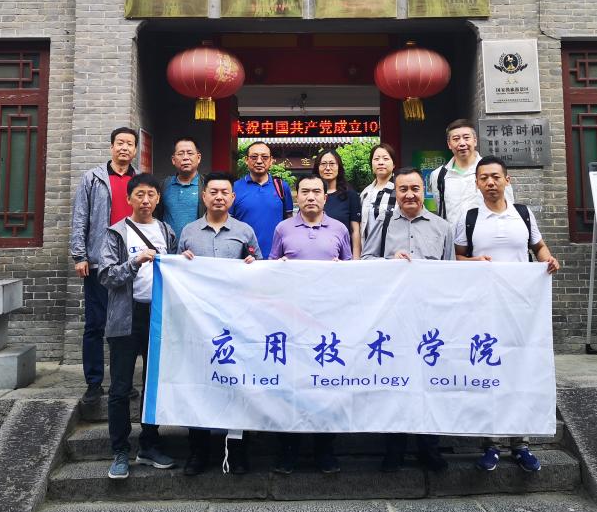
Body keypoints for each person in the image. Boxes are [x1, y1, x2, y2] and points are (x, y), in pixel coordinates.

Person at [454, 155, 560, 474]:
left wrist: (548, 259)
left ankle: (521, 443)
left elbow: (538, 248)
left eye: (495, 177)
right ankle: (491, 443)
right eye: (484, 178)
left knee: (521, 372)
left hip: (521, 310)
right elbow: (457, 259)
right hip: (484, 310)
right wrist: (475, 263)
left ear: (506, 180)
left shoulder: (522, 214)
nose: (490, 182)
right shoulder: (469, 218)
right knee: (490, 372)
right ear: (476, 184)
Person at [360, 166, 452, 473]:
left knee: (429, 382)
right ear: (395, 192)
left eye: (415, 189)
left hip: (429, 319)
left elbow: (451, 272)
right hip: (394, 318)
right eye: (403, 189)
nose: (409, 195)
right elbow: (366, 260)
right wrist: (389, 262)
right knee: (395, 382)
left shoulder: (442, 227)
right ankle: (394, 448)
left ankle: (429, 447)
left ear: (423, 191)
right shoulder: (383, 222)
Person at [178, 172, 262, 476]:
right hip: (199, 323)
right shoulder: (188, 232)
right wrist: (182, 262)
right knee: (199, 385)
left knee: (236, 387)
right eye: (213, 191)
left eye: (224, 192)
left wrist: (253, 266)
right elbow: (175, 273)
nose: (219, 197)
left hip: (235, 323)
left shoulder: (245, 231)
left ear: (232, 197)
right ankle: (198, 452)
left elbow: (260, 270)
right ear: (204, 196)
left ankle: (238, 453)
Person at [269, 175, 351, 474]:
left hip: (327, 322)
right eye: (305, 192)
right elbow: (271, 269)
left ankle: (324, 450)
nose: (311, 196)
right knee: (290, 386)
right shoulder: (283, 228)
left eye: (317, 191)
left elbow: (351, 273)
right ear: (297, 196)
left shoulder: (339, 229)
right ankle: (287, 450)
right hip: (292, 320)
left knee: (325, 386)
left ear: (325, 198)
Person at [97, 173, 178, 480]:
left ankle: (149, 444)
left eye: (151, 195)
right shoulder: (116, 233)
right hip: (125, 317)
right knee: (120, 388)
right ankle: (120, 451)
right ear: (129, 198)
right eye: (140, 194)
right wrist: (134, 262)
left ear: (158, 199)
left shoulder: (167, 231)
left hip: (157, 316)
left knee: (153, 385)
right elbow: (106, 275)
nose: (145, 200)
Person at [70, 126, 138, 407]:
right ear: (111, 147)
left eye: (129, 144)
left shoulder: (139, 180)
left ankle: (122, 383)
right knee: (95, 324)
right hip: (99, 261)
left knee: (125, 327)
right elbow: (80, 216)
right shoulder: (93, 178)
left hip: (129, 262)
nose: (124, 148)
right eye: (120, 143)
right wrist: (80, 255)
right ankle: (94, 383)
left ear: (135, 150)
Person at [231, 141, 293, 260]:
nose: (259, 161)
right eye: (254, 157)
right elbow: (228, 222)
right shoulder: (235, 188)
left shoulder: (281, 187)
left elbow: (289, 221)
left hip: (276, 258)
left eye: (264, 157)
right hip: (244, 258)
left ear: (271, 160)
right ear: (246, 160)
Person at [426, 119, 483, 229]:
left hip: (483, 236)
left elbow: (506, 205)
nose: (462, 143)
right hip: (452, 237)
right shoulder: (438, 175)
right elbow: (440, 209)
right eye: (456, 139)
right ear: (449, 144)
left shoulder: (489, 171)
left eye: (466, 138)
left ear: (475, 141)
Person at [314, 149, 361, 258]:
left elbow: (355, 230)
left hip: (342, 257)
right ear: (317, 168)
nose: (328, 168)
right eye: (323, 164)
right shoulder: (311, 195)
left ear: (339, 167)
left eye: (332, 164)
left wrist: (356, 258)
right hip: (315, 255)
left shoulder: (350, 195)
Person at [160, 137, 204, 241]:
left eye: (190, 153)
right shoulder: (163, 185)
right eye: (180, 154)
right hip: (168, 247)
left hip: (196, 247)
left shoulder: (207, 186)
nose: (185, 157)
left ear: (198, 158)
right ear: (173, 160)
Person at [358, 142, 397, 238]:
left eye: (385, 159)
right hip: (368, 245)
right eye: (376, 159)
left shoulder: (400, 190)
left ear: (394, 164)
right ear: (371, 164)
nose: (380, 162)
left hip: (394, 245)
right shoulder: (365, 193)